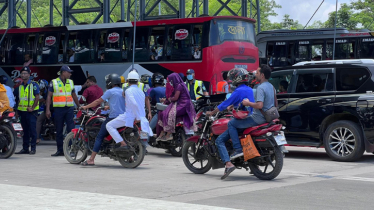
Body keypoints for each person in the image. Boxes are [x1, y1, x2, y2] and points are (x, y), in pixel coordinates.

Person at [206, 68, 255, 180]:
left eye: (232, 78)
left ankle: (230, 161)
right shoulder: (250, 89)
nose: (231, 80)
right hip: (251, 118)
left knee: (220, 139)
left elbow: (224, 104)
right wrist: (234, 106)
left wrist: (212, 112)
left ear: (237, 79)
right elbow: (244, 102)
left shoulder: (238, 91)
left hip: (243, 120)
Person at [80, 73, 126, 166]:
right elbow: (119, 103)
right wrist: (108, 107)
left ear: (110, 82)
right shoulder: (122, 91)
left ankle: (91, 159)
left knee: (99, 136)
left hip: (113, 118)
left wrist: (85, 107)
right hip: (124, 118)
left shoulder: (110, 91)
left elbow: (97, 101)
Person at [106, 70, 153, 150]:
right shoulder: (141, 91)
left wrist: (137, 116)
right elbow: (142, 103)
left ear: (127, 81)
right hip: (142, 117)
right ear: (138, 81)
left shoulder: (128, 90)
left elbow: (134, 104)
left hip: (131, 116)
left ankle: (123, 143)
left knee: (109, 125)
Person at [46, 65, 80, 156]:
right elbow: (49, 96)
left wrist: (79, 106)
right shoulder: (54, 82)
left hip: (69, 108)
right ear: (63, 72)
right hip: (58, 109)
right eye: (69, 72)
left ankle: (71, 149)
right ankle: (60, 150)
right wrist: (47, 109)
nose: (70, 74)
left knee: (71, 129)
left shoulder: (70, 82)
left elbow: (74, 95)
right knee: (59, 130)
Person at [157, 73, 196, 141]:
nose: (169, 82)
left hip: (183, 105)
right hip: (182, 104)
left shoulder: (179, 86)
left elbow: (175, 98)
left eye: (170, 81)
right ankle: (163, 132)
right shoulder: (180, 85)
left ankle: (169, 134)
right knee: (166, 113)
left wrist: (169, 99)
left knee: (169, 114)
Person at [14, 67, 40, 155]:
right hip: (22, 111)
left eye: (25, 73)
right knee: (25, 131)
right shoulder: (20, 86)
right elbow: (18, 100)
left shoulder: (34, 84)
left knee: (32, 130)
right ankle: (25, 148)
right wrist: (17, 111)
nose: (23, 75)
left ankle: (33, 148)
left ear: (29, 75)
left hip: (31, 112)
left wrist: (32, 108)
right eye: (22, 73)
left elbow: (37, 97)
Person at [36, 79, 49, 144]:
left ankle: (37, 138)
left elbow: (44, 100)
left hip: (50, 110)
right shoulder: (46, 91)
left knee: (39, 120)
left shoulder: (47, 92)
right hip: (52, 109)